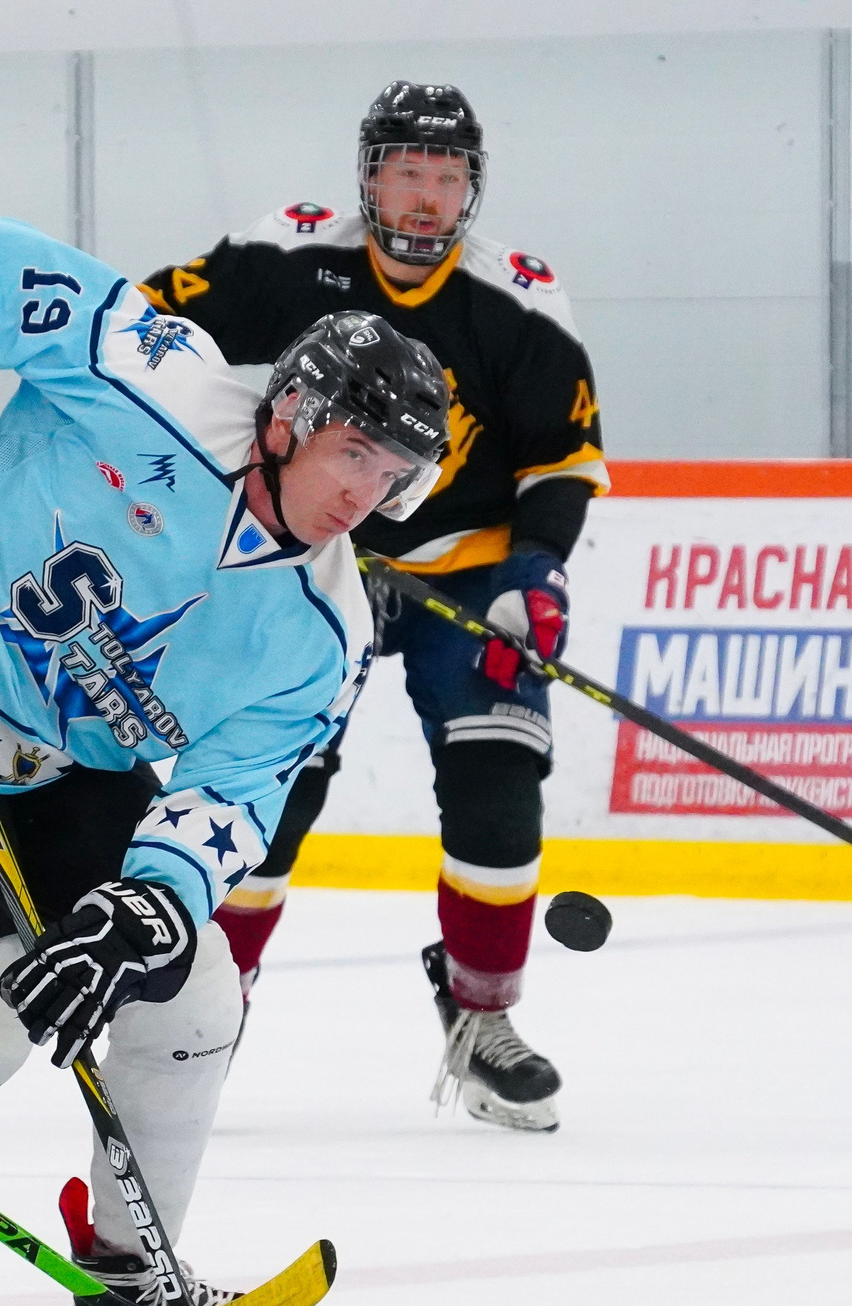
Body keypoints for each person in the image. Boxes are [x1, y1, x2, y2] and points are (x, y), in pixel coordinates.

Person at [0, 215, 448, 1306]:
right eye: (354, 453)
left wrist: (152, 902)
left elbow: (237, 788)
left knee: (194, 990)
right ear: (290, 417)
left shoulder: (323, 631)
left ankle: (126, 1271)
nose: (366, 492)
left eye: (392, 473)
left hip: (58, 769)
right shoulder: (159, 382)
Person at [140, 81, 608, 1132]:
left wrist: (536, 572)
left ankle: (481, 1015)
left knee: (498, 777)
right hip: (313, 556)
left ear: (471, 189)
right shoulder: (290, 255)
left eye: (445, 176)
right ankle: (208, 1006)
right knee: (267, 786)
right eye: (406, 172)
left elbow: (562, 459)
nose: (426, 197)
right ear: (368, 178)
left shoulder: (519, 299)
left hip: (463, 569)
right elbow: (146, 328)